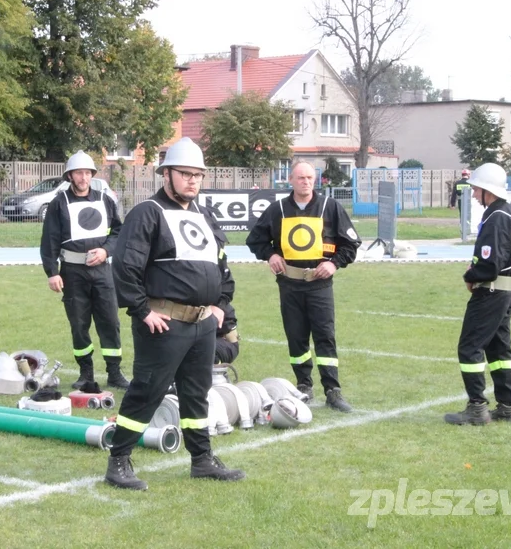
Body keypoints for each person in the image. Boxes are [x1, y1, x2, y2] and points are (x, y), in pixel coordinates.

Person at [105, 137, 245, 490]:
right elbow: (124, 267)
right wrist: (141, 310)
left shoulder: (204, 214)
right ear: (166, 174)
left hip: (202, 325)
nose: (193, 181)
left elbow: (221, 266)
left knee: (197, 393)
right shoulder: (147, 213)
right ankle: (118, 461)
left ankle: (202, 460)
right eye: (185, 173)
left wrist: (219, 306)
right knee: (147, 392)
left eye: (198, 174)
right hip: (164, 324)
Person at [246, 161, 360, 412]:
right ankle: (303, 386)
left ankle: (333, 390)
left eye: (309, 177)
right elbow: (254, 240)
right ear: (291, 180)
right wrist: (271, 255)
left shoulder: (330, 207)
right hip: (289, 285)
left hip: (320, 285)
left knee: (324, 337)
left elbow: (351, 244)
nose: (305, 182)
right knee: (296, 338)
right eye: (300, 178)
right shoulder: (277, 210)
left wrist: (334, 264)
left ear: (315, 180)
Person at [40, 151, 130, 394]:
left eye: (87, 173)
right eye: (78, 173)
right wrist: (52, 272)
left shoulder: (105, 200)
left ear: (92, 175)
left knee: (110, 322)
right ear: (70, 175)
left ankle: (114, 372)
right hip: (72, 272)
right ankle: (85, 372)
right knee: (79, 324)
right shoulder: (59, 203)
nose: (83, 177)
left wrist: (105, 251)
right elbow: (49, 240)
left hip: (102, 271)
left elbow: (118, 232)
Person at [444, 162, 511, 426]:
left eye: (476, 189)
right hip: (504, 291)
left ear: (486, 190)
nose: (475, 195)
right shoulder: (510, 212)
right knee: (499, 350)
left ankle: (477, 407)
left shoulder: (496, 216)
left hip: (490, 291)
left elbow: (490, 265)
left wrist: (470, 275)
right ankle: (507, 406)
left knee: (469, 348)